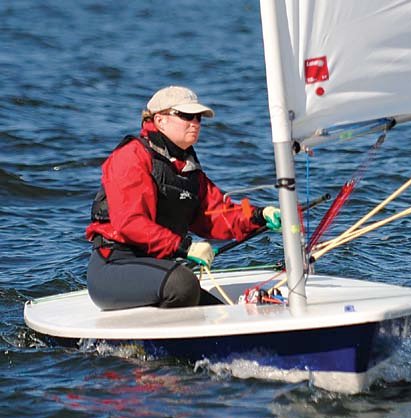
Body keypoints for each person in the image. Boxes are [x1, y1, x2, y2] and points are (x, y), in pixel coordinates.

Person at [86, 85, 281, 310]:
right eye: (187, 116)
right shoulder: (131, 157)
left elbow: (217, 215)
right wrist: (185, 247)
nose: (195, 123)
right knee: (184, 283)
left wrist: (260, 215)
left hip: (157, 268)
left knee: (216, 310)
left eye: (198, 118)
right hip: (115, 265)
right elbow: (130, 222)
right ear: (160, 120)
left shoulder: (189, 171)